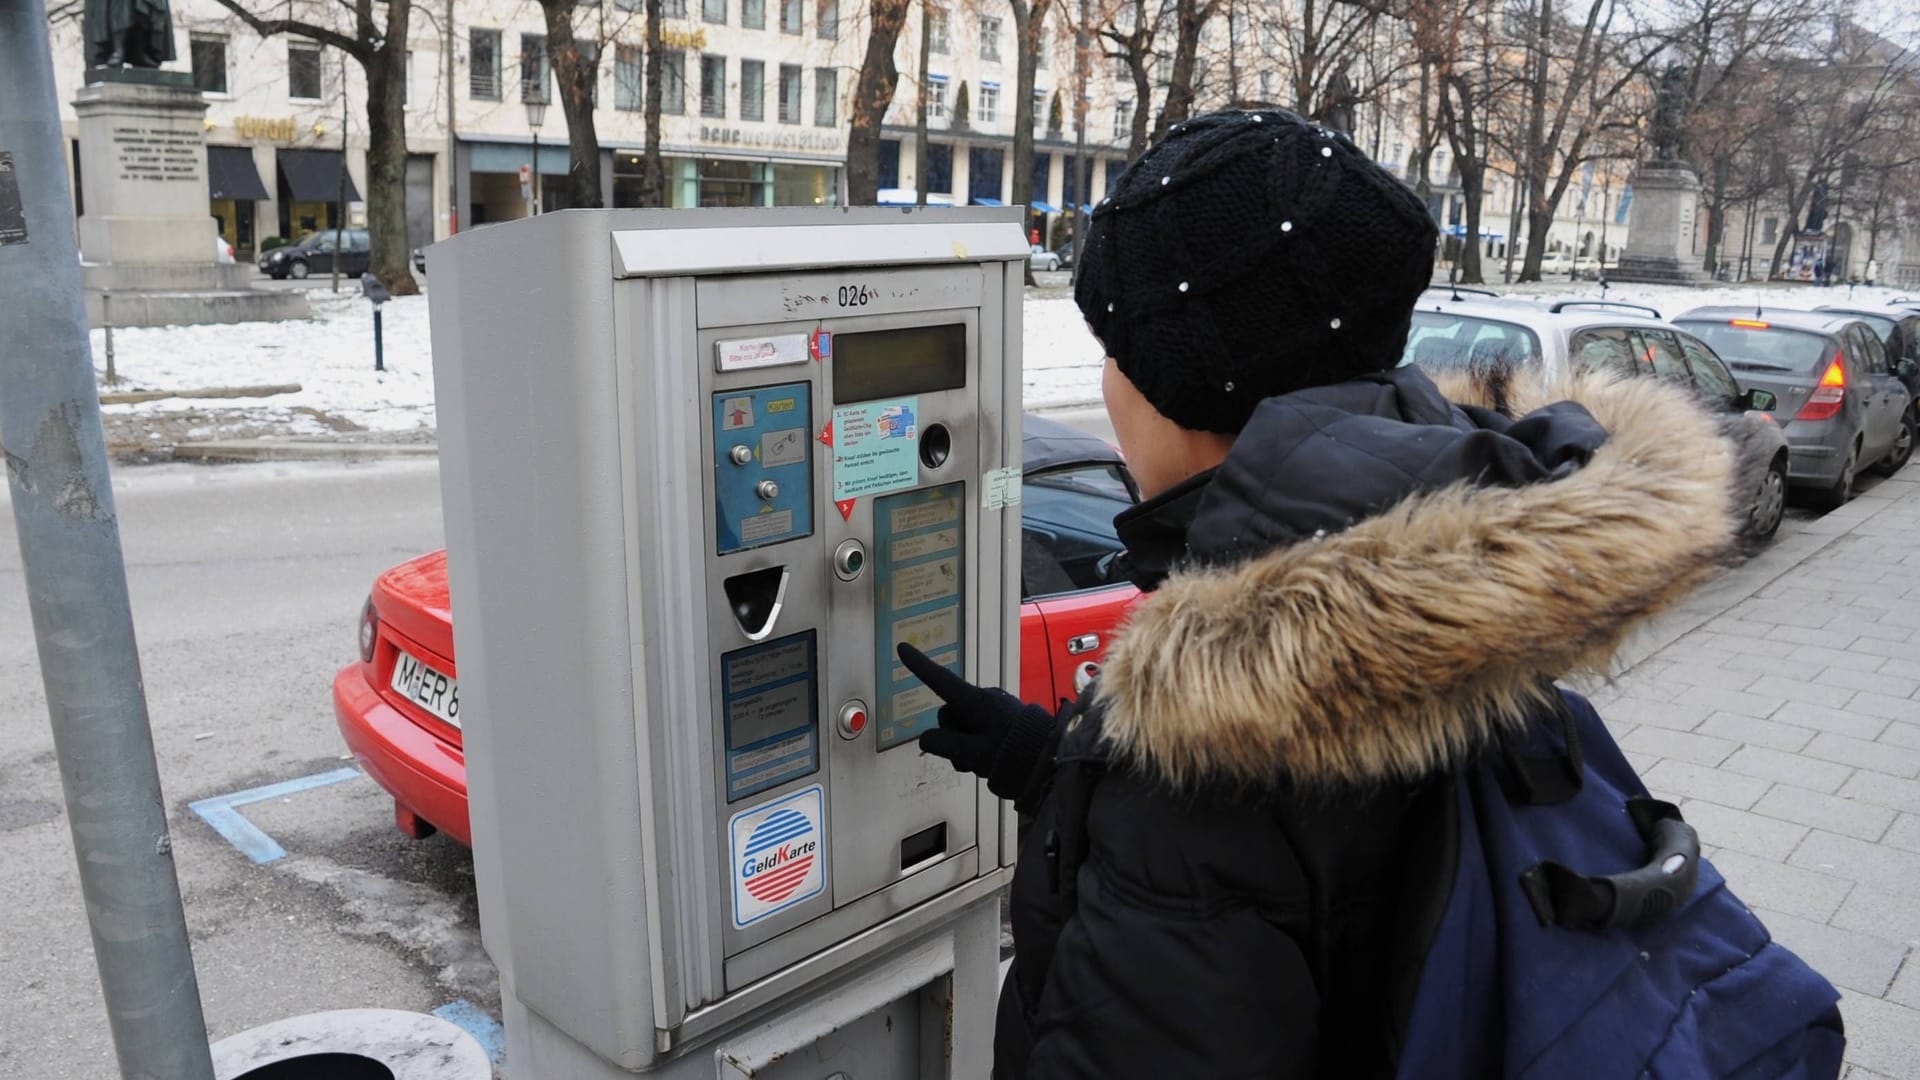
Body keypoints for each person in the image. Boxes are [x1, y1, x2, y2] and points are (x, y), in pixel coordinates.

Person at [898, 109, 1741, 1077]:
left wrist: (1143, 818)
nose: (1108, 379)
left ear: (1189, 393)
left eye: (1115, 346)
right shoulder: (1432, 574)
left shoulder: (1209, 772)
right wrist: (1059, 766)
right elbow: (1324, 885)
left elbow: (1224, 881)